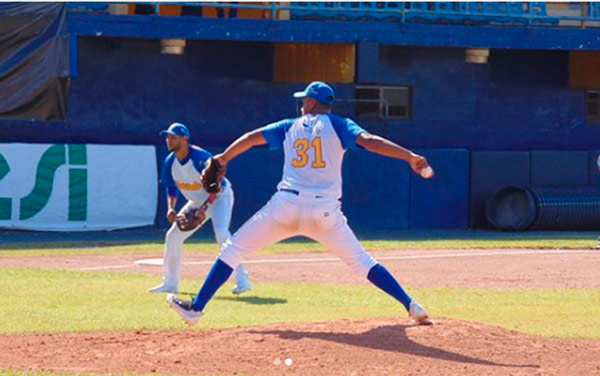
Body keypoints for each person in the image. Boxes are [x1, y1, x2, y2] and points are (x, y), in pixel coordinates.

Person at [166, 82, 433, 326]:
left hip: (285, 206)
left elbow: (251, 138)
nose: (302, 103)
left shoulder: (288, 125)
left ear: (313, 103)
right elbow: (370, 142)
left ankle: (196, 308)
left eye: (305, 99)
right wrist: (408, 156)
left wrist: (223, 158)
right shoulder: (340, 125)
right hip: (325, 212)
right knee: (363, 262)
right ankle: (412, 305)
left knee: (233, 249)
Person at [149, 122, 252, 295]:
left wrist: (204, 208)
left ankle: (243, 281)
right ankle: (170, 283)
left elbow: (216, 184)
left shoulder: (200, 158)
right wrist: (171, 209)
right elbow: (171, 187)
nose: (169, 140)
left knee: (221, 233)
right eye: (167, 137)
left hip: (219, 197)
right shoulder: (170, 162)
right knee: (173, 236)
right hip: (197, 202)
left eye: (173, 137)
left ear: (184, 139)